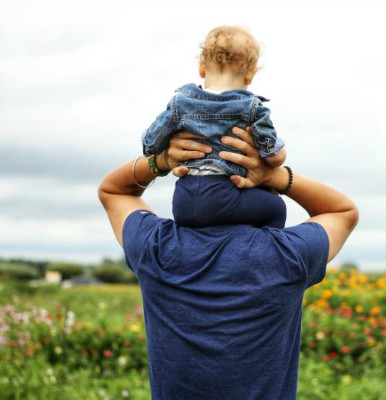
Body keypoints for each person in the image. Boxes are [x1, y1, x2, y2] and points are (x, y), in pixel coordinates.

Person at [98, 128, 358, 399]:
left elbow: (114, 191)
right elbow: (341, 211)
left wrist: (160, 162)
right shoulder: (288, 254)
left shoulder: (157, 247)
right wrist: (276, 176)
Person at [142, 26, 287, 228]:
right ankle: (265, 254)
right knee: (276, 208)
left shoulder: (180, 103)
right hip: (225, 196)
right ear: (250, 76)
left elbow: (151, 145)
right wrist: (278, 153)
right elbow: (273, 156)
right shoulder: (252, 108)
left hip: (183, 201)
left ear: (201, 68)